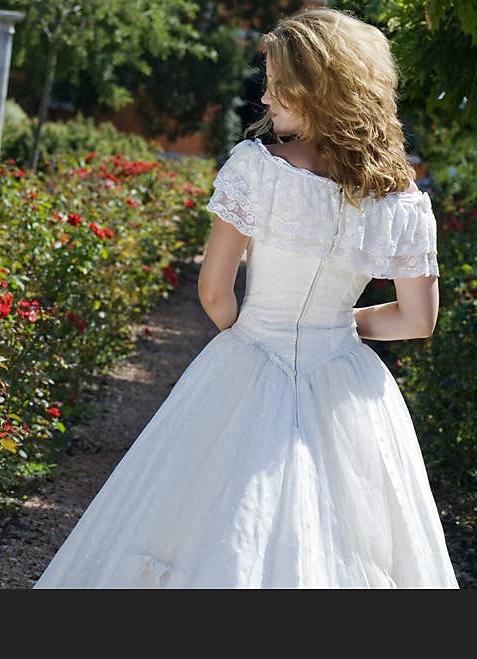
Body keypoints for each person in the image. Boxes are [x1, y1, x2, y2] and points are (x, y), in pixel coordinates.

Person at [32, 7, 460, 588]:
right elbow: (418, 318)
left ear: (315, 88)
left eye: (277, 83)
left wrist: (253, 328)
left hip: (250, 355)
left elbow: (213, 291)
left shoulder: (258, 170)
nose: (265, 97)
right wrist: (337, 328)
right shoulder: (402, 198)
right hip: (349, 384)